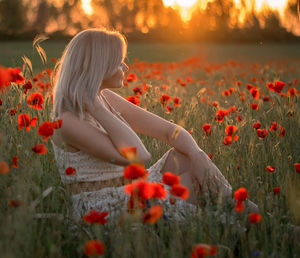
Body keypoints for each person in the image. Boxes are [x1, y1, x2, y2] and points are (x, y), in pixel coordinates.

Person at [51, 28, 258, 223]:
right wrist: (96, 108)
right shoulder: (67, 121)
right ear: (99, 67)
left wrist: (196, 155)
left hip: (129, 188)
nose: (125, 67)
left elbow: (169, 131)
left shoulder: (106, 98)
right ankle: (245, 222)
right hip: (106, 206)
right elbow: (140, 156)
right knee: (198, 190)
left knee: (185, 158)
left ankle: (243, 213)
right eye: (119, 62)